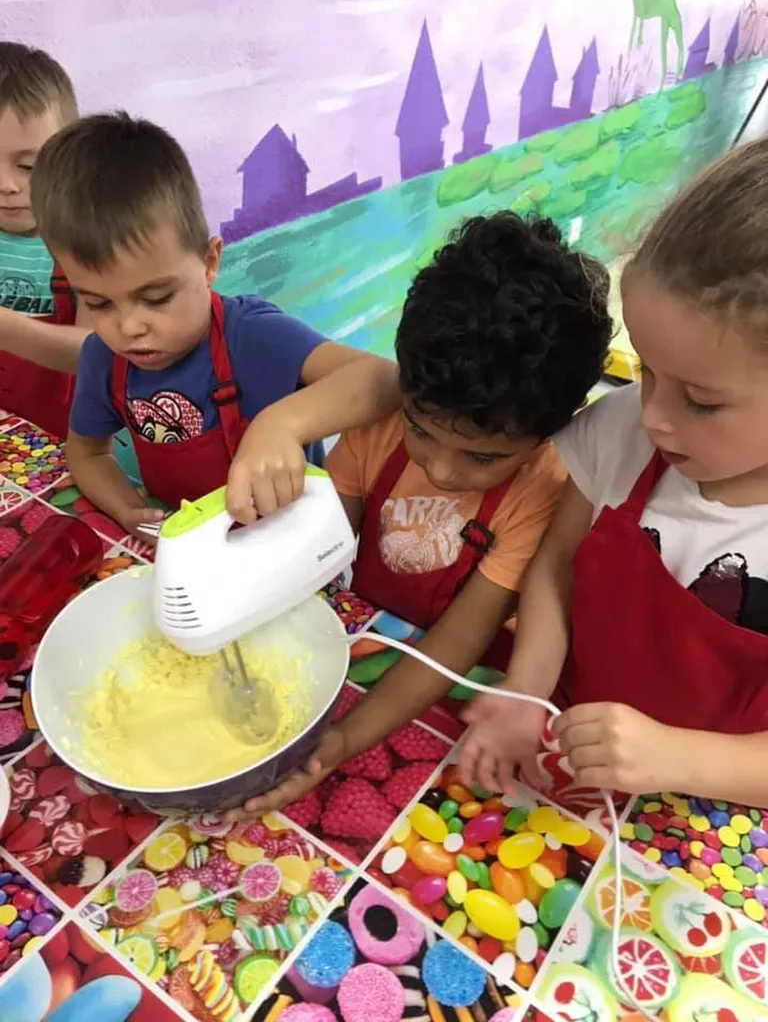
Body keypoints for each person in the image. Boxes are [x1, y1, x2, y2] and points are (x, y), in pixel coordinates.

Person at [228, 212, 612, 820]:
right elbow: (318, 549)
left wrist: (346, 739)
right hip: (382, 632)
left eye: (482, 457)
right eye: (421, 431)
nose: (441, 470)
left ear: (550, 432)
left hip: (464, 674)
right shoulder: (376, 426)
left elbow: (460, 639)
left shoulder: (545, 489)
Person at [461, 138, 768, 811]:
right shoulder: (622, 429)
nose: (651, 417)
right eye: (647, 370)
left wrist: (680, 757)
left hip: (709, 811)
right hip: (571, 750)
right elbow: (556, 563)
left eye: (701, 401)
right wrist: (526, 689)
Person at [30, 112, 400, 536]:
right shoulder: (103, 357)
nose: (128, 327)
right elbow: (88, 453)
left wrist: (279, 424)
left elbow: (383, 379)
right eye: (97, 303)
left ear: (209, 262)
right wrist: (128, 509)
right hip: (192, 543)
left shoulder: (253, 335)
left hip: (286, 540)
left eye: (157, 298)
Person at [0, 42, 89, 438]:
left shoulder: (84, 242)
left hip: (60, 445)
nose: (6, 185)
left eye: (28, 166)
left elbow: (95, 352)